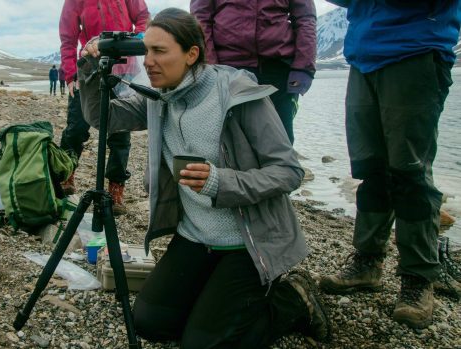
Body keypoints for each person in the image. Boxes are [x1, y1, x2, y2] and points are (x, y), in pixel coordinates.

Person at [78, 8, 330, 348]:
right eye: (146, 50)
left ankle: (293, 301)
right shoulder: (157, 96)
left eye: (160, 51)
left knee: (202, 345)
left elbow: (288, 171)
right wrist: (89, 69)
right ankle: (213, 298)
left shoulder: (237, 94)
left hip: (247, 243)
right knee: (149, 322)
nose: (148, 61)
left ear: (192, 54)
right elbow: (101, 116)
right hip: (195, 237)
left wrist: (220, 183)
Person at [319, 1, 461, 330]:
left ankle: (418, 279)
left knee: (410, 172)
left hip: (416, 48)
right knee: (371, 169)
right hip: (364, 55)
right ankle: (367, 262)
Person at [58, 0, 150, 215]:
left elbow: (143, 17)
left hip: (124, 68)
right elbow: (68, 38)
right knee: (76, 127)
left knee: (120, 133)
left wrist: (134, 42)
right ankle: (66, 174)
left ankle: (115, 187)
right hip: (90, 68)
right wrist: (71, 75)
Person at [190, 0, 316, 145]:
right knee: (229, 141)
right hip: (228, 70)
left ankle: (282, 168)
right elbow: (200, 18)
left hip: (278, 69)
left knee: (280, 141)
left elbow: (305, 17)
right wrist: (211, 68)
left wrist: (303, 68)